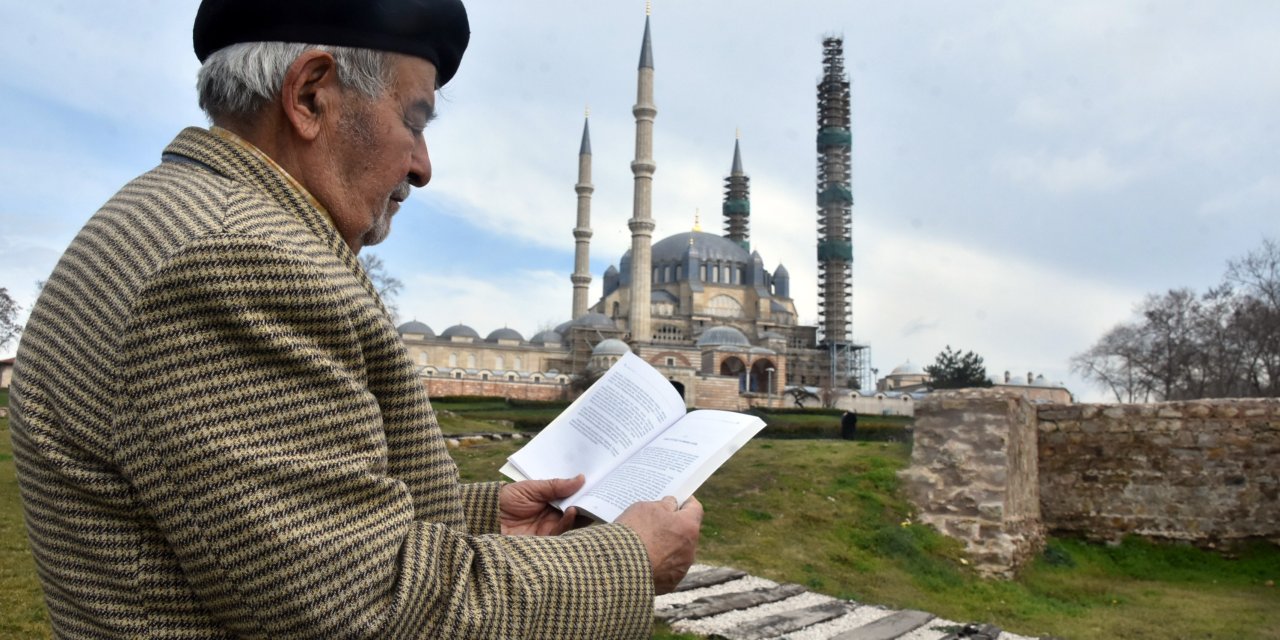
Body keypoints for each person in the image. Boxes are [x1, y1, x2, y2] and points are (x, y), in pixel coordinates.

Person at [8, 1, 702, 637]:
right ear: (311, 96)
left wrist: (489, 514)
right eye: (414, 122)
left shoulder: (178, 216)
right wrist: (630, 559)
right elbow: (367, 612)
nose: (422, 166)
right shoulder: (236, 262)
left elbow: (284, 521)